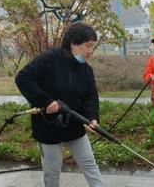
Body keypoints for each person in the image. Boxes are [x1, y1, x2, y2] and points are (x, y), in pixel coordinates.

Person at [15, 22, 105, 187]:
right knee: (52, 169)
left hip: (75, 124)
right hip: (47, 126)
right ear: (73, 44)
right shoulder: (49, 59)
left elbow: (91, 96)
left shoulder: (86, 70)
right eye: (88, 46)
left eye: (93, 47)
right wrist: (46, 101)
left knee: (89, 164)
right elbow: (23, 78)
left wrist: (92, 117)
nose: (91, 51)